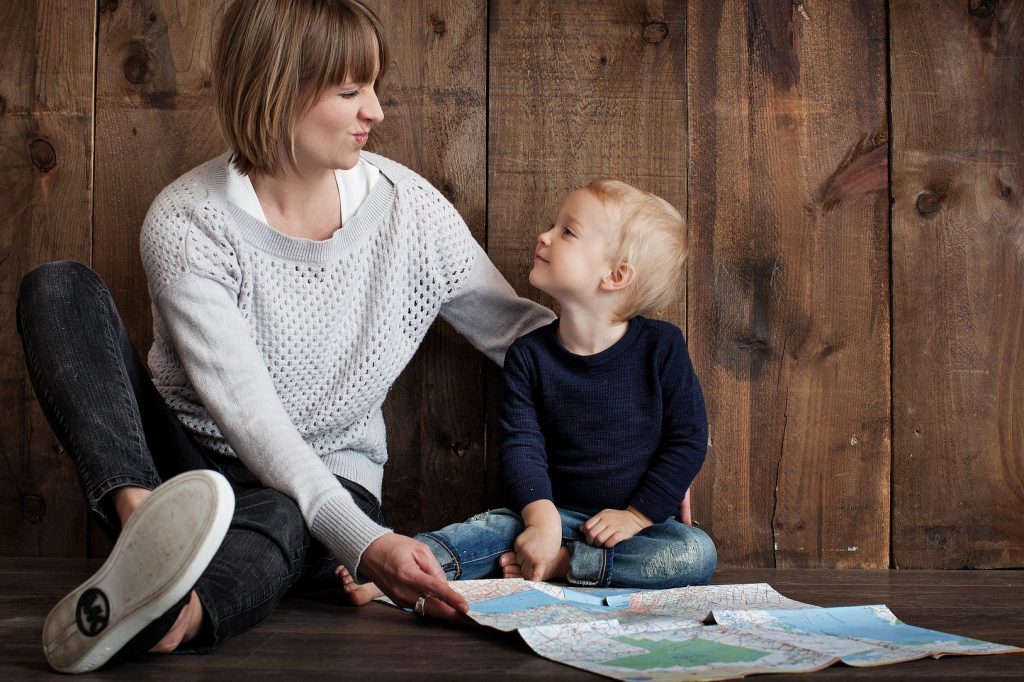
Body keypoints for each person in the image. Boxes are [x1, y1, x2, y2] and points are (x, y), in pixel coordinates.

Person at [17, 0, 553, 673]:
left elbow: (520, 333)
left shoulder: (408, 211)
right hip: (184, 466)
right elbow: (251, 417)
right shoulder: (188, 223)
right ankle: (145, 530)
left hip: (329, 480)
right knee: (58, 288)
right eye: (351, 91)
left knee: (282, 514)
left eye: (374, 88)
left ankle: (175, 612)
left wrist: (648, 399)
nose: (376, 113)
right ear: (277, 88)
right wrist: (372, 546)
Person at [340, 179, 715, 603]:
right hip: (552, 511)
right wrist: (540, 521)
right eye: (554, 226)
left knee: (695, 554)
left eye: (567, 232)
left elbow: (687, 439)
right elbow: (523, 446)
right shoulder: (530, 355)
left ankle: (566, 566)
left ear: (616, 275)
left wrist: (637, 515)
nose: (545, 235)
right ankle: (396, 572)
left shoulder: (661, 347)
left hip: (635, 528)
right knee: (487, 531)